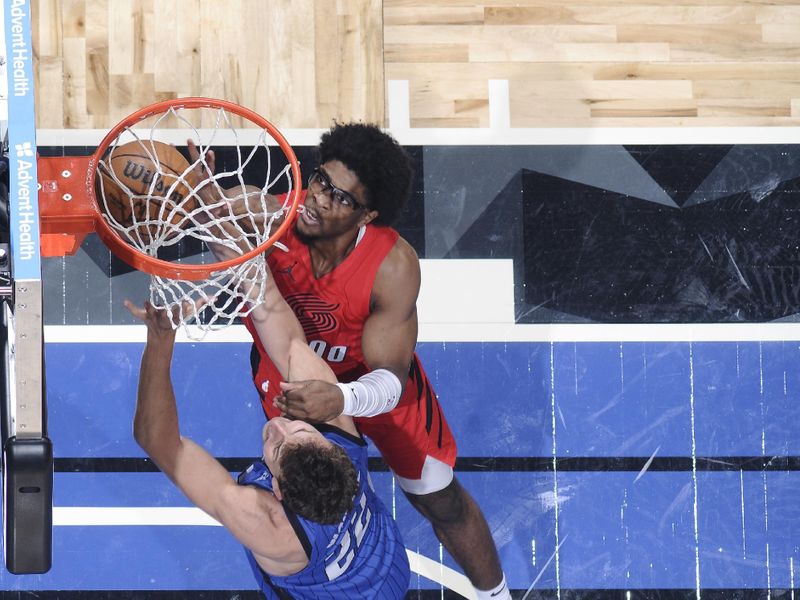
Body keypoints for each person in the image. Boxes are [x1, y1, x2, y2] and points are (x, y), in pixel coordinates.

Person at [240, 123, 511, 600]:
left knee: (439, 498)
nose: (320, 199)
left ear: (368, 215)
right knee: (312, 505)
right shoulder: (265, 217)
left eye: (341, 198)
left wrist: (340, 397)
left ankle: (497, 595)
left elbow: (392, 378)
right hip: (292, 377)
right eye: (320, 180)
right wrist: (184, 191)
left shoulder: (393, 266)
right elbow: (187, 217)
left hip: (375, 388)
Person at [124, 266, 410, 598]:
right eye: (298, 430)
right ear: (331, 446)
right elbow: (289, 342)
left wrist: (161, 340)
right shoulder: (335, 430)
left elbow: (158, 441)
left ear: (277, 490)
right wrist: (243, 255)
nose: (277, 425)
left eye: (276, 447)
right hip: (388, 567)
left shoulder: (268, 525)